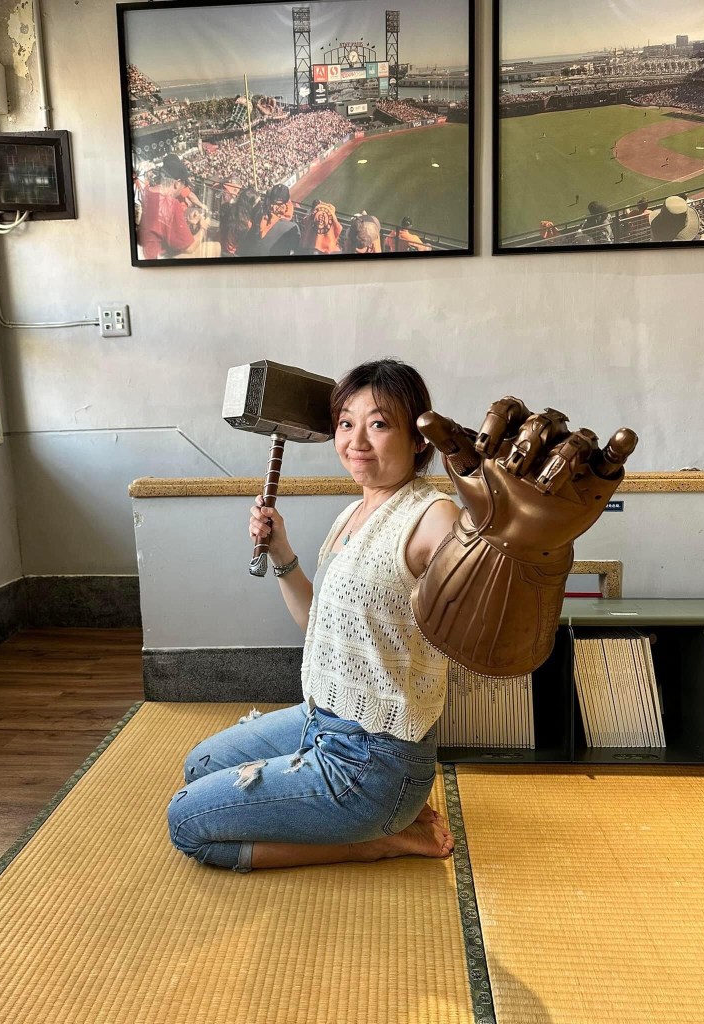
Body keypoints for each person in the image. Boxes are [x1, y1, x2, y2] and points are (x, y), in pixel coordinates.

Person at [167, 359, 461, 872]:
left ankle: (374, 840)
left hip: (372, 762)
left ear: (418, 439)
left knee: (187, 823)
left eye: (378, 423)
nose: (356, 441)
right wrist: (282, 551)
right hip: (322, 720)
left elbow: (472, 557)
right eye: (346, 423)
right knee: (200, 766)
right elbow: (317, 625)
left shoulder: (434, 513)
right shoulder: (353, 514)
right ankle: (358, 816)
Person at [137, 154, 219, 259]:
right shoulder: (171, 204)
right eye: (184, 185)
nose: (182, 189)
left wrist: (187, 221)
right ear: (177, 183)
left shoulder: (147, 191)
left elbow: (160, 225)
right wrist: (203, 227)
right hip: (156, 258)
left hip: (143, 251)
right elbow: (189, 248)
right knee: (216, 247)